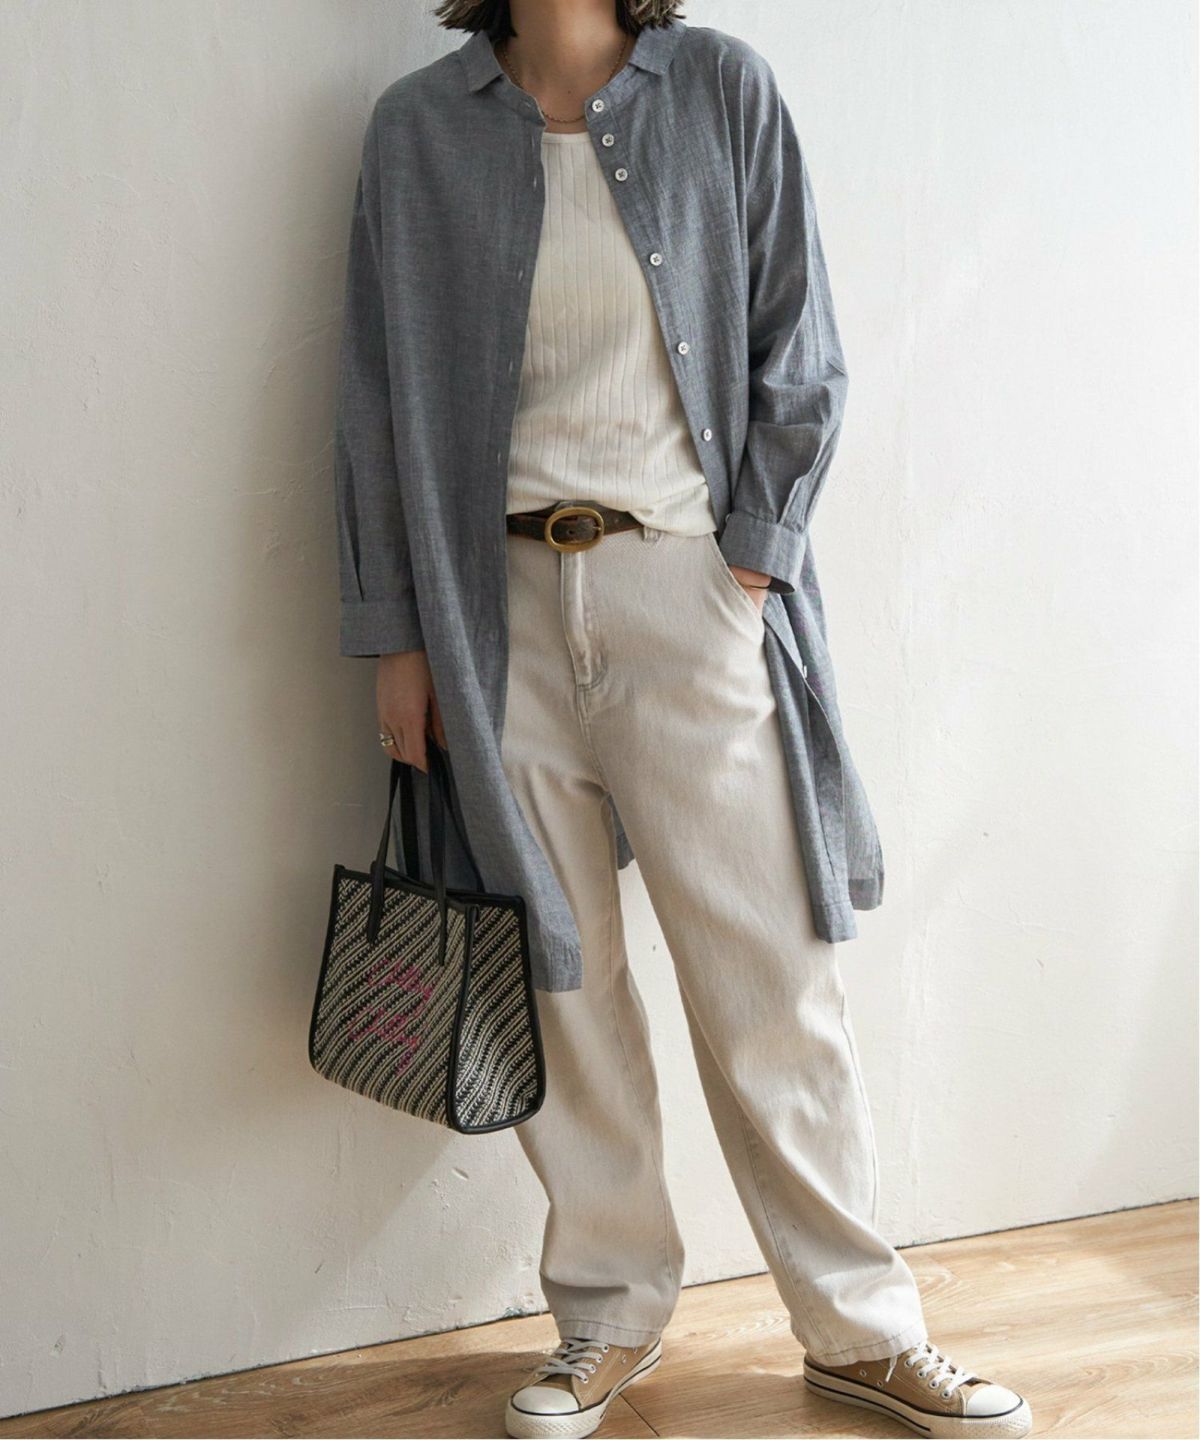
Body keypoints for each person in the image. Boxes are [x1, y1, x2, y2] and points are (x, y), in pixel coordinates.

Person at [332, 1, 1033, 1436]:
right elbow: (372, 399)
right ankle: (605, 1316)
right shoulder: (417, 132)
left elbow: (801, 347)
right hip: (493, 619)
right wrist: (397, 637)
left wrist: (749, 566)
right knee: (560, 982)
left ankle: (861, 1329)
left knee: (769, 980)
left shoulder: (722, 90)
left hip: (686, 593)